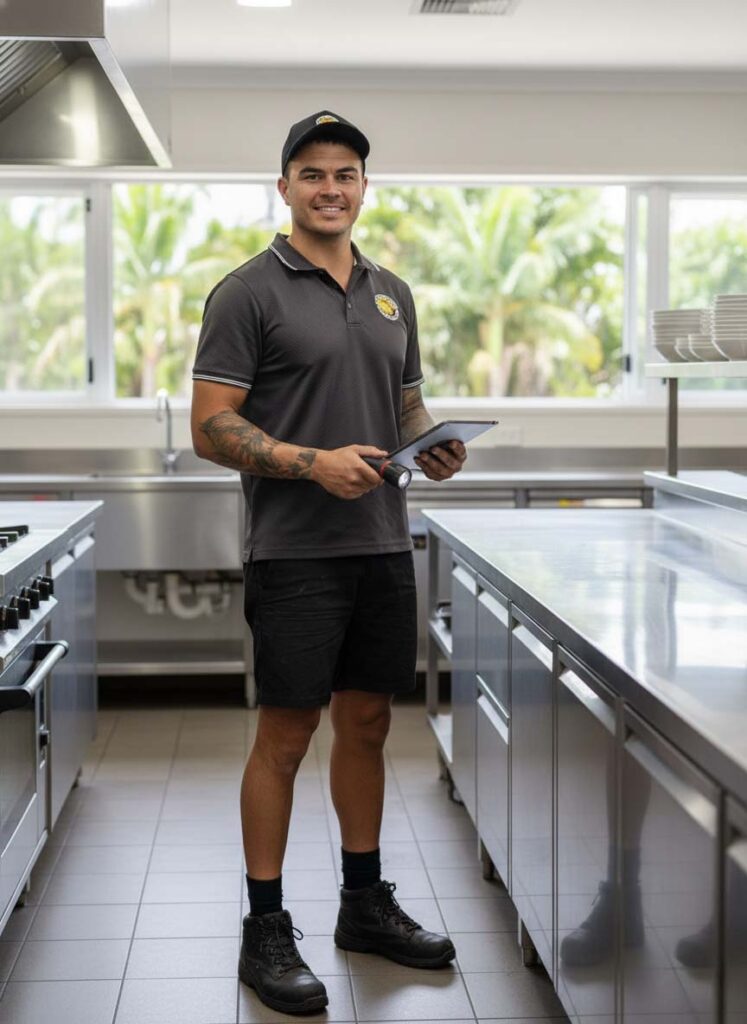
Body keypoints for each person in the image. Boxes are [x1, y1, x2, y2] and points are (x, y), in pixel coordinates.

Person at [190, 110, 467, 1016]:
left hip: (382, 543)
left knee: (370, 725)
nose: (330, 188)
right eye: (311, 174)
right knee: (284, 736)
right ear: (285, 188)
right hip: (296, 552)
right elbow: (211, 427)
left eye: (345, 174)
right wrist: (309, 462)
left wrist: (432, 443)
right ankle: (265, 926)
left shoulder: (392, 290)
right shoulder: (247, 292)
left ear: (361, 186)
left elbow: (408, 400)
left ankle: (362, 903)